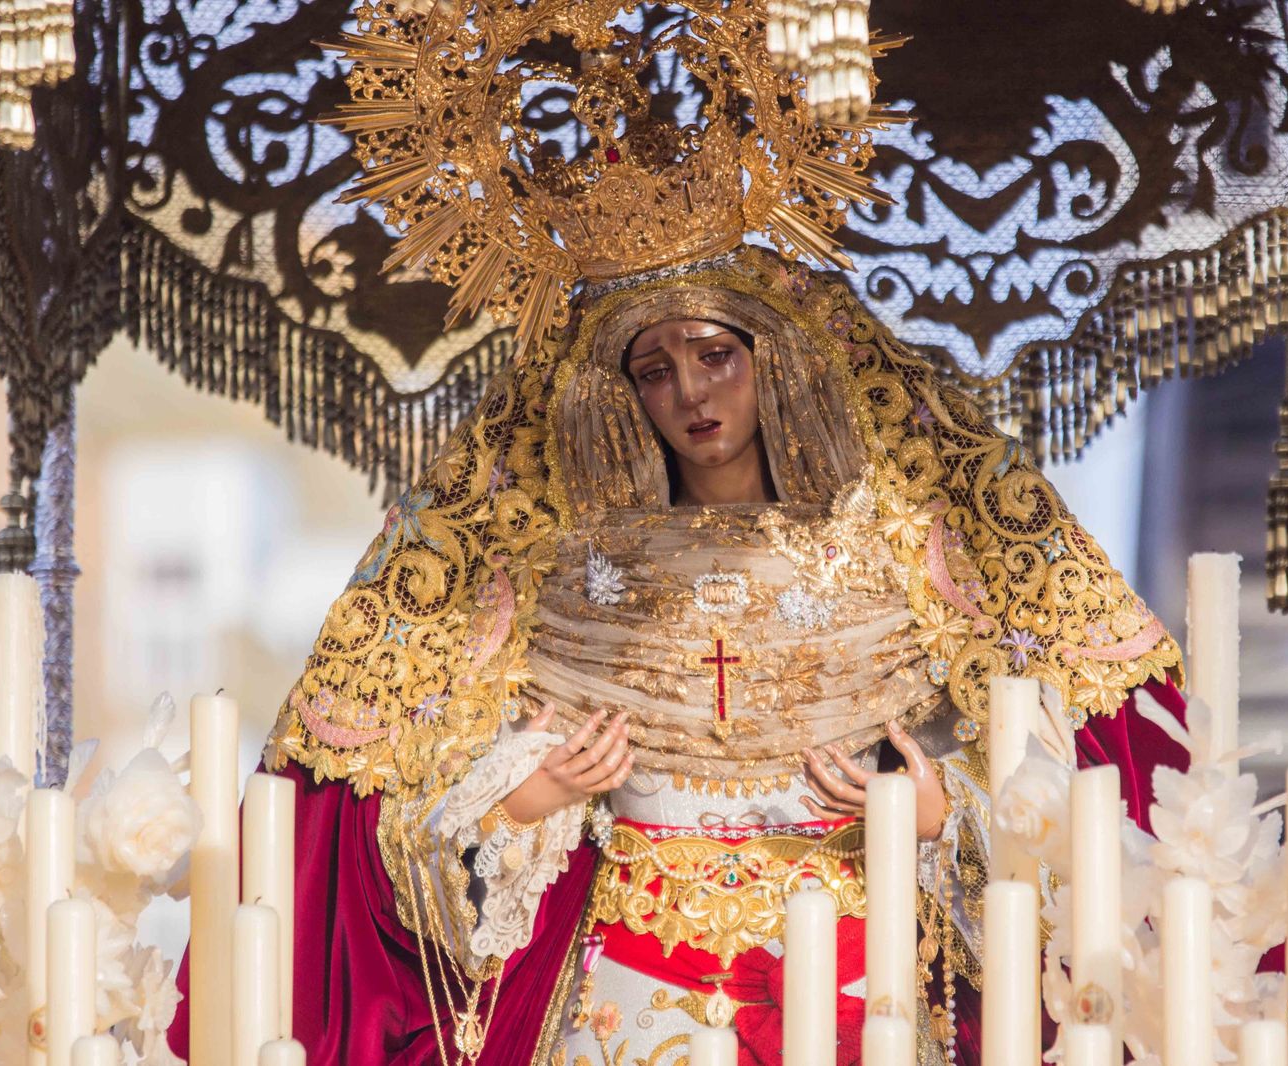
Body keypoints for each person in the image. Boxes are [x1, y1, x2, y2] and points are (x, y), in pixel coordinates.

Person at [168, 4, 1192, 1063]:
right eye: (653, 371)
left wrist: (938, 817)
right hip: (631, 991)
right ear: (618, 397)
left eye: (714, 355)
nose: (690, 394)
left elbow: (1030, 769)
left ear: (773, 359)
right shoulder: (570, 570)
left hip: (856, 982)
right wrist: (535, 793)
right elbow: (423, 802)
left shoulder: (889, 545)